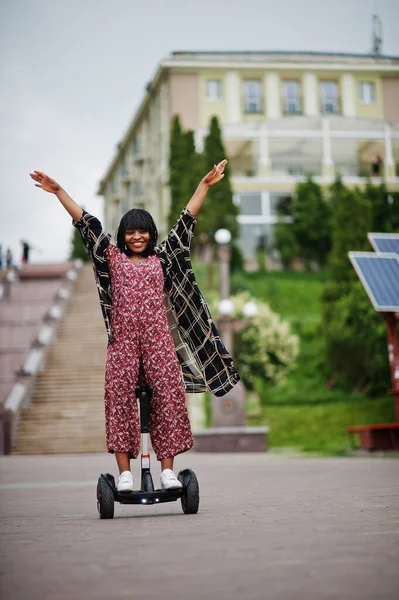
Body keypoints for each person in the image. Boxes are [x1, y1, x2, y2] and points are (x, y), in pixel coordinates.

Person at [29, 162, 240, 492]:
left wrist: (205, 185)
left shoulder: (164, 258)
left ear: (151, 235)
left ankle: (168, 471)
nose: (137, 236)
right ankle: (125, 474)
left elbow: (186, 222)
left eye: (143, 231)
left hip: (159, 345)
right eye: (130, 232)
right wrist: (58, 192)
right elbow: (87, 224)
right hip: (123, 346)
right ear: (123, 236)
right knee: (119, 403)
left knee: (169, 399)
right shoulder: (111, 258)